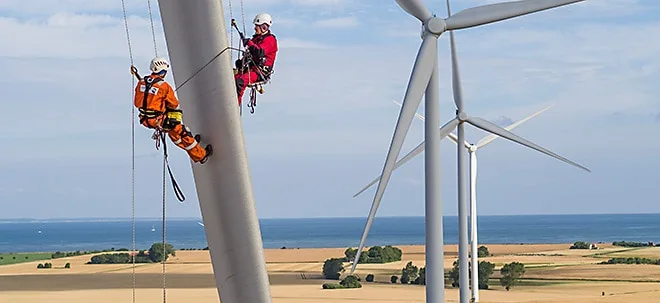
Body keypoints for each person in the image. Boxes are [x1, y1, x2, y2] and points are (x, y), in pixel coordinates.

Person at [134, 57, 213, 164]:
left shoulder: (141, 83)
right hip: (158, 119)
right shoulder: (164, 86)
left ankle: (191, 146)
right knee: (183, 132)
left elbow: (139, 101)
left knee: (174, 134)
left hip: (145, 119)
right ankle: (201, 156)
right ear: (163, 71)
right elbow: (174, 103)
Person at [234, 12, 278, 107]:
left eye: (257, 26)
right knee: (232, 80)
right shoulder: (256, 40)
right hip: (251, 69)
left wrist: (249, 43)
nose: (255, 28)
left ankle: (234, 107)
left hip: (259, 73)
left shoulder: (270, 40)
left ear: (264, 27)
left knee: (240, 82)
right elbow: (251, 54)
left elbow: (259, 52)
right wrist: (240, 63)